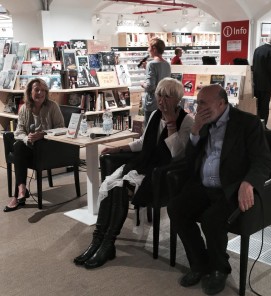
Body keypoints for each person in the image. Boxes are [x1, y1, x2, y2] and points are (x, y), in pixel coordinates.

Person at [73, 77, 194, 269]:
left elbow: (177, 154)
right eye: (159, 95)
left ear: (177, 99)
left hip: (164, 176)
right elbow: (142, 143)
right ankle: (98, 241)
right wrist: (118, 149)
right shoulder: (154, 115)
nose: (161, 101)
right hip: (145, 165)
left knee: (119, 188)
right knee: (112, 186)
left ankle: (107, 243)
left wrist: (171, 126)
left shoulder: (186, 121)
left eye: (167, 97)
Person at [167, 84, 271, 295]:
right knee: (176, 209)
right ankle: (199, 263)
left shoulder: (247, 123)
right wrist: (195, 131)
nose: (199, 107)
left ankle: (219, 269)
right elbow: (190, 161)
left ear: (221, 103)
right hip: (204, 186)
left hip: (230, 188)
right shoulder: (203, 123)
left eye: (204, 103)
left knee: (211, 219)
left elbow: (262, 161)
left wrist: (248, 182)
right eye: (198, 103)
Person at [3, 78, 65, 212]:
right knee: (19, 146)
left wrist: (43, 134)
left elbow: (61, 128)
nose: (40, 93)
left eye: (43, 90)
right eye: (37, 90)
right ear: (30, 92)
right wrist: (27, 138)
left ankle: (18, 195)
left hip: (48, 148)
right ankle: (21, 189)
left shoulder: (52, 106)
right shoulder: (24, 108)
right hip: (29, 147)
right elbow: (18, 131)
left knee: (19, 150)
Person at [252, 32, 271, 129]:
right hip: (265, 85)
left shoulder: (257, 50)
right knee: (264, 108)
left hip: (256, 84)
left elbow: (254, 67)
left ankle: (256, 126)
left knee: (257, 107)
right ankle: (263, 128)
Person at [141, 37, 171, 125]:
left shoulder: (151, 64)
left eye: (149, 47)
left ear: (154, 48)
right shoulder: (167, 64)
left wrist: (142, 84)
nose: (148, 49)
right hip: (164, 103)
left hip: (152, 103)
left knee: (149, 129)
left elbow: (150, 86)